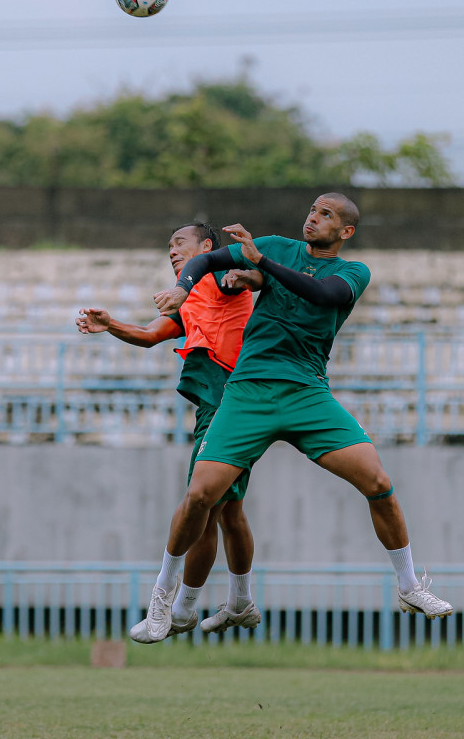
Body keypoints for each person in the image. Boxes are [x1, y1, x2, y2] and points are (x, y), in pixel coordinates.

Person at [141, 192, 453, 643]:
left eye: (326, 215)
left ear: (345, 232)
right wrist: (184, 288)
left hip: (307, 391)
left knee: (378, 483)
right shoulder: (276, 246)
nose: (313, 218)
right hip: (248, 390)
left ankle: (409, 587)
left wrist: (260, 267)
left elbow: (319, 293)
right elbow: (207, 262)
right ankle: (162, 601)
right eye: (312, 210)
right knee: (199, 497)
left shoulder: (351, 272)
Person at [76, 222, 265, 641]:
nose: (172, 251)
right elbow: (148, 335)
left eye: (180, 243)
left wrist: (243, 272)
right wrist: (111, 325)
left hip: (229, 401)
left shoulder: (217, 278)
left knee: (202, 506)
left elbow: (242, 279)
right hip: (223, 405)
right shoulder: (191, 300)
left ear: (207, 247)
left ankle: (179, 607)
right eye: (169, 246)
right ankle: (238, 601)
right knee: (226, 511)